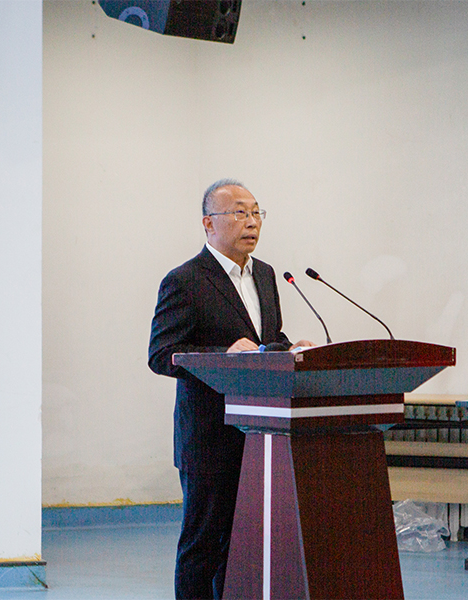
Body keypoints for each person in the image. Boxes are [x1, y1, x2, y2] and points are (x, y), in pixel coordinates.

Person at [148, 179, 313, 600]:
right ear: (209, 223)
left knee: (244, 548)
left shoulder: (267, 275)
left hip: (261, 435)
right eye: (239, 212)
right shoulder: (185, 280)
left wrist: (291, 349)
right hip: (209, 436)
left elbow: (266, 340)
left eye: (256, 212)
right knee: (204, 546)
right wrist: (224, 354)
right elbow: (162, 354)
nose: (251, 222)